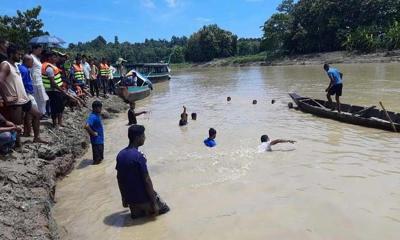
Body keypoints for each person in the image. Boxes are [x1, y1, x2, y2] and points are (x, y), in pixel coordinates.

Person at [116, 125, 170, 219]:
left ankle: (139, 211)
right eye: (143, 135)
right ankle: (148, 208)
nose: (145, 138)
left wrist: (124, 198)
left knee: (137, 220)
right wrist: (154, 203)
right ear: (138, 137)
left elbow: (119, 178)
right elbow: (147, 180)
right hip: (143, 199)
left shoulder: (120, 155)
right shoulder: (139, 156)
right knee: (165, 209)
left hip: (130, 200)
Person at [0, 44, 47, 144]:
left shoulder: (15, 66)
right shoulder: (5, 65)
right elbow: (0, 81)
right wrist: (6, 98)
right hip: (15, 101)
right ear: (12, 54)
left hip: (23, 99)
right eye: (18, 54)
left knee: (37, 114)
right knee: (17, 124)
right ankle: (17, 145)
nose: (20, 56)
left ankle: (36, 137)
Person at [18, 54, 47, 143]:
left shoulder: (21, 68)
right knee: (37, 114)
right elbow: (22, 84)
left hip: (25, 94)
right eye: (32, 61)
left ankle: (27, 132)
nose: (33, 63)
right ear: (27, 61)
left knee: (28, 114)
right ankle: (36, 137)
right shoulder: (24, 70)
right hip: (27, 94)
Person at [42, 50, 66, 128]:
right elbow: (52, 83)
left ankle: (60, 122)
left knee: (61, 106)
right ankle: (55, 123)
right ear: (49, 58)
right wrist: (61, 90)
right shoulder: (49, 68)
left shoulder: (53, 65)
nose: (56, 58)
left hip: (57, 90)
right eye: (54, 57)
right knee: (55, 107)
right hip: (53, 90)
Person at [30, 44, 49, 117]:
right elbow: (30, 70)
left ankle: (41, 113)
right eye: (39, 49)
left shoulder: (37, 58)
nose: (41, 51)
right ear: (35, 49)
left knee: (42, 99)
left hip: (39, 80)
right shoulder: (31, 57)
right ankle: (39, 114)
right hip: (35, 82)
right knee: (38, 99)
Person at [85, 101, 104, 165]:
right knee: (97, 162)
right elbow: (86, 126)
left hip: (100, 140)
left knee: (100, 160)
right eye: (100, 108)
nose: (101, 109)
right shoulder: (93, 116)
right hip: (96, 142)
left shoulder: (96, 115)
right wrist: (93, 133)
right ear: (96, 108)